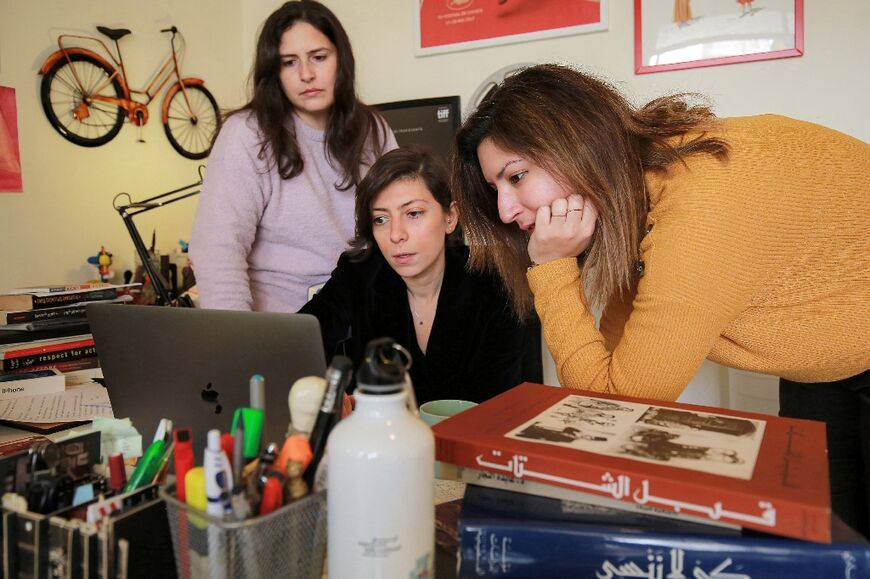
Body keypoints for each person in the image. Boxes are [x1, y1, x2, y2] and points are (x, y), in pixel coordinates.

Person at [453, 64, 870, 534]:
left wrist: (550, 268)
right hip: (830, 365)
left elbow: (618, 400)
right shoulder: (642, 193)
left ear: (576, 143)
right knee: (812, 542)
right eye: (495, 190)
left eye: (517, 176)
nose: (506, 211)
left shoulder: (699, 206)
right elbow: (606, 385)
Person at [190, 0, 397, 313]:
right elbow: (217, 251)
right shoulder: (246, 134)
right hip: (283, 329)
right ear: (274, 72)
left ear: (341, 60)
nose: (306, 74)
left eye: (318, 57)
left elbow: (403, 226)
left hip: (364, 315)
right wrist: (238, 346)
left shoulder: (374, 129)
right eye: (288, 62)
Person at [300, 146, 532, 404]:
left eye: (413, 214)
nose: (396, 234)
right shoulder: (358, 273)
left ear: (450, 218)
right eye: (380, 219)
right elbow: (296, 343)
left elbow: (498, 403)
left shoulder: (495, 280)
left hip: (471, 438)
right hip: (377, 439)